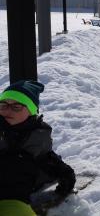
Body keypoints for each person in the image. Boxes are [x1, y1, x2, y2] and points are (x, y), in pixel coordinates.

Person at [0, 80, 76, 215]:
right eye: (3, 105)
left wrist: (66, 176)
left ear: (31, 111)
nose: (7, 110)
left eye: (16, 107)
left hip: (13, 198)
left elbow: (47, 159)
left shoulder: (37, 137)